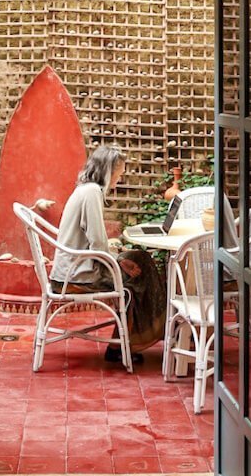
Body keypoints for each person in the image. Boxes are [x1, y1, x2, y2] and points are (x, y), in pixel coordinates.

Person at [50, 145, 165, 364]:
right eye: (117, 173)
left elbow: (96, 243)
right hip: (78, 274)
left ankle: (127, 341)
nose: (118, 179)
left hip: (75, 266)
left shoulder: (85, 189)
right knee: (140, 275)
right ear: (106, 170)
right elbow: (98, 242)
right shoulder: (92, 192)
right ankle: (128, 344)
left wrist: (120, 258)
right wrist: (119, 263)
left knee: (141, 259)